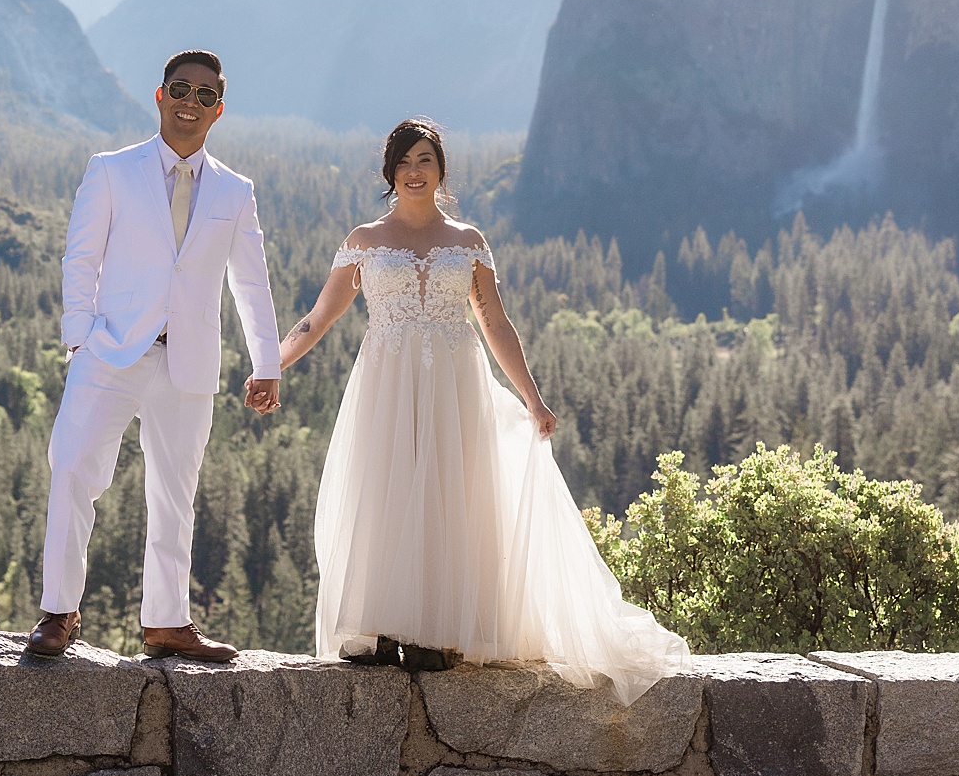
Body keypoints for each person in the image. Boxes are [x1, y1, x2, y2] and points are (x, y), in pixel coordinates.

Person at [277, 118, 688, 700]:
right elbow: (318, 317)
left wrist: (533, 398)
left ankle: (436, 631)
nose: (413, 172)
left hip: (454, 386)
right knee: (386, 491)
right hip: (385, 388)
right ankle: (377, 628)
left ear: (441, 171)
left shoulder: (468, 242)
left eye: (424, 160)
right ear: (389, 173)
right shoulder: (365, 241)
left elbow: (495, 323)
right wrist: (272, 365)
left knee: (449, 494)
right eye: (403, 162)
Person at [26, 49, 285, 661]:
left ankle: (167, 624)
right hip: (109, 352)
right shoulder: (112, 170)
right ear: (160, 95)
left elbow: (251, 282)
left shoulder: (234, 190)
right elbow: (80, 257)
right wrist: (79, 337)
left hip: (187, 362)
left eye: (203, 95)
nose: (190, 102)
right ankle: (59, 613)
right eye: (180, 89)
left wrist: (266, 362)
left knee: (176, 492)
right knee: (71, 469)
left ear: (217, 110)